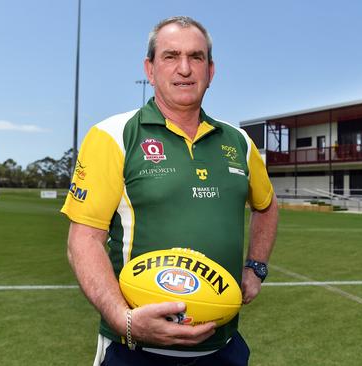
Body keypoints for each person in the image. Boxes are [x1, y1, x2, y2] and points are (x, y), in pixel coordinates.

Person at [61, 15, 278, 366]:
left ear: (211, 70)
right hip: (134, 350)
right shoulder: (113, 135)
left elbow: (266, 205)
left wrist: (256, 267)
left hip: (223, 349)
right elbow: (83, 240)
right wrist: (124, 320)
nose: (184, 69)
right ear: (149, 69)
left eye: (196, 57)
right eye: (170, 56)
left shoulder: (239, 142)